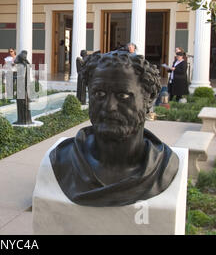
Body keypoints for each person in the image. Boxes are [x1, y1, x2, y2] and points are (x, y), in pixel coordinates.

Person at [49, 50, 179, 207]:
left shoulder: (164, 166)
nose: (109, 107)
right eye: (99, 94)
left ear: (149, 98)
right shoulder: (63, 160)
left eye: (123, 95)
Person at [14, 50, 32, 125]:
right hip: (23, 88)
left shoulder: (22, 66)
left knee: (22, 103)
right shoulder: (26, 65)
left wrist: (14, 77)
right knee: (23, 104)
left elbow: (21, 77)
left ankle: (22, 120)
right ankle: (24, 119)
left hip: (21, 88)